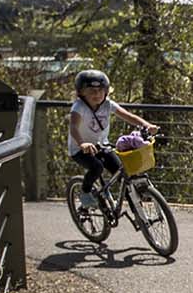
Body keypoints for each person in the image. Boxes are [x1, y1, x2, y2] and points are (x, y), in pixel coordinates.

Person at [68, 69, 158, 207]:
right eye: (91, 91)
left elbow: (128, 116)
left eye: (100, 90)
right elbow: (73, 127)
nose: (96, 94)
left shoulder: (107, 104)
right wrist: (82, 144)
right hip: (80, 149)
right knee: (96, 167)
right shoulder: (78, 107)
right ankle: (85, 192)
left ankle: (136, 209)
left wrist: (147, 125)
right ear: (81, 93)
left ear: (106, 91)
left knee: (122, 171)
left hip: (101, 145)